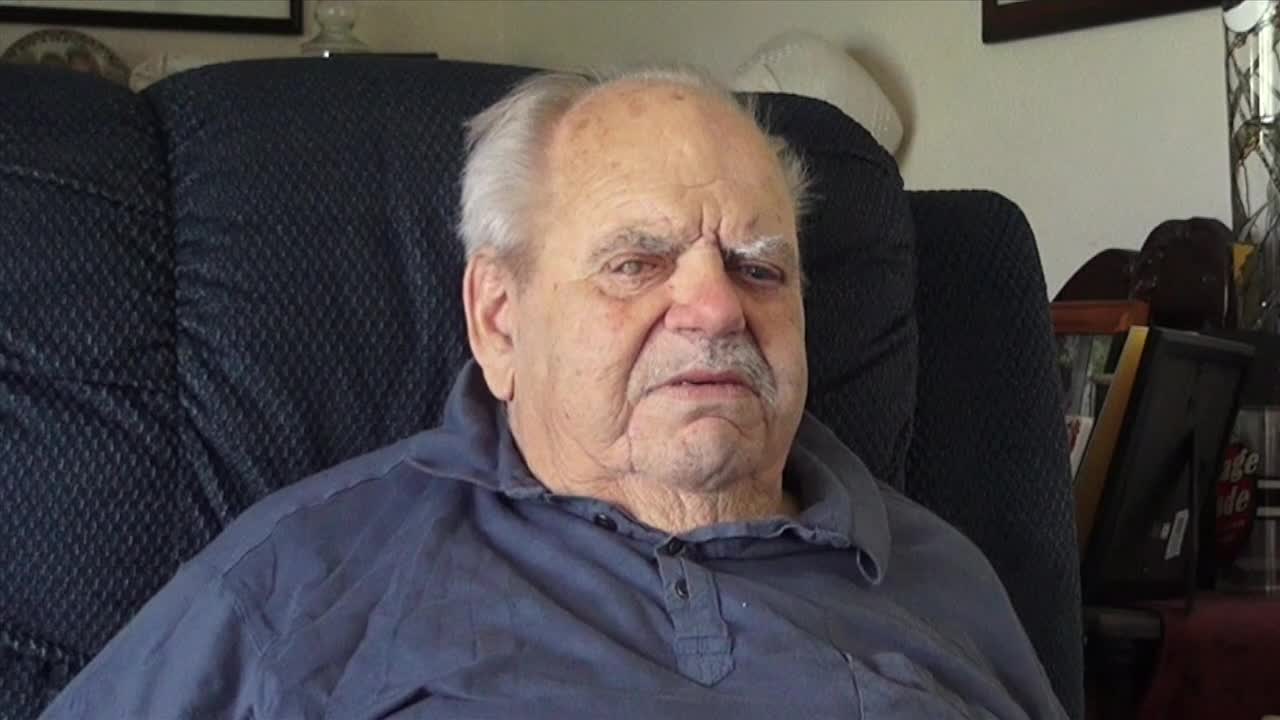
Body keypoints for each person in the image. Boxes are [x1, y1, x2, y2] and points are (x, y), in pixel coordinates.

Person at [38, 66, 1066, 720]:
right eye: (636, 263)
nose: (716, 308)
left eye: (759, 267)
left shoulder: (940, 577)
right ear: (499, 319)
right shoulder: (302, 579)